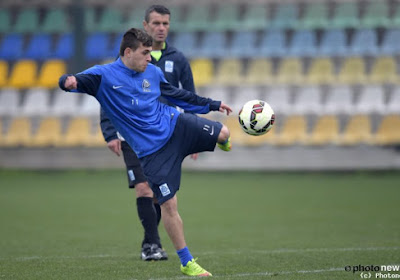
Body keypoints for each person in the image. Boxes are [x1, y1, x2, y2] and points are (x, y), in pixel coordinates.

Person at [59, 28, 232, 277]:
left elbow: (177, 95)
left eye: (150, 52)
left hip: (176, 125)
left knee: (224, 133)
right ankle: (187, 262)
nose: (150, 58)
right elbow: (71, 81)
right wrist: (67, 82)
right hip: (152, 153)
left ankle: (221, 142)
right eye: (145, 53)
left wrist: (213, 104)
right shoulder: (102, 76)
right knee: (169, 205)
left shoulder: (153, 72)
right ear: (128, 52)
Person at [100, 5, 198, 262]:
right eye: (156, 23)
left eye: (165, 23)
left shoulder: (177, 59)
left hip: (165, 136)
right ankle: (152, 246)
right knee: (143, 188)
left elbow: (189, 96)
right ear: (145, 26)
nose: (161, 28)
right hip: (132, 134)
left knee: (160, 194)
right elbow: (108, 93)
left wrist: (196, 134)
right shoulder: (128, 57)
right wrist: (109, 132)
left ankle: (149, 242)